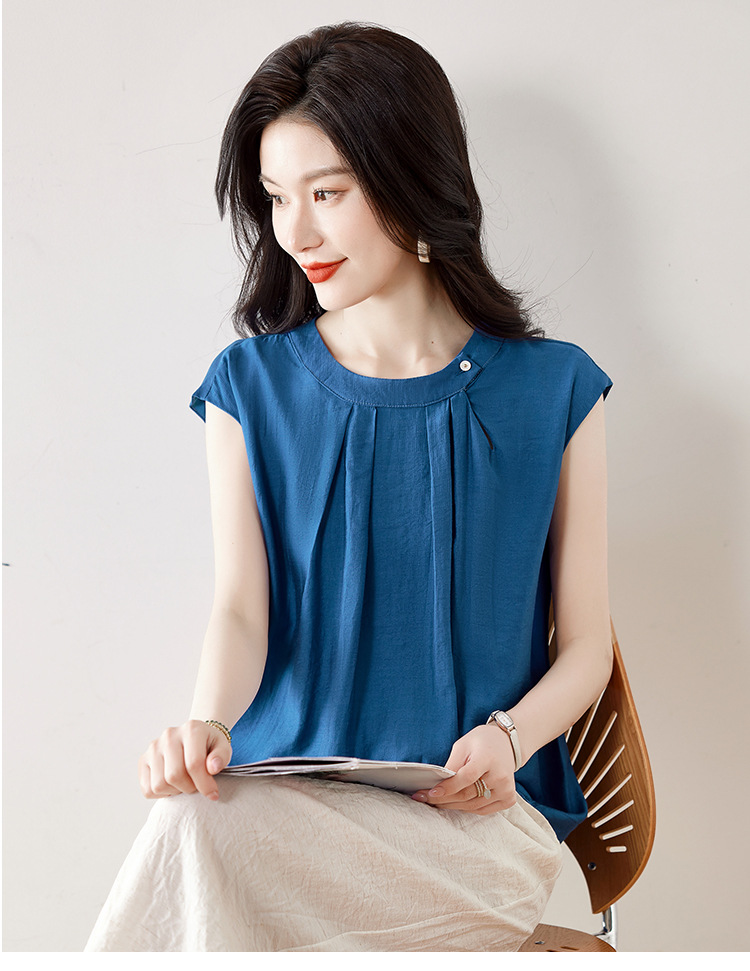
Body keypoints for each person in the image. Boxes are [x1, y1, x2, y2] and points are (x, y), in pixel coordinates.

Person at [86, 21, 613, 952]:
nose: (295, 233)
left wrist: (511, 736)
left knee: (200, 850)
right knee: (194, 821)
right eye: (276, 197)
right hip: (282, 813)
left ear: (413, 177)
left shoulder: (556, 388)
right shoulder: (248, 388)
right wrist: (205, 723)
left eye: (327, 192)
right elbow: (241, 610)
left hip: (476, 825)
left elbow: (588, 647)